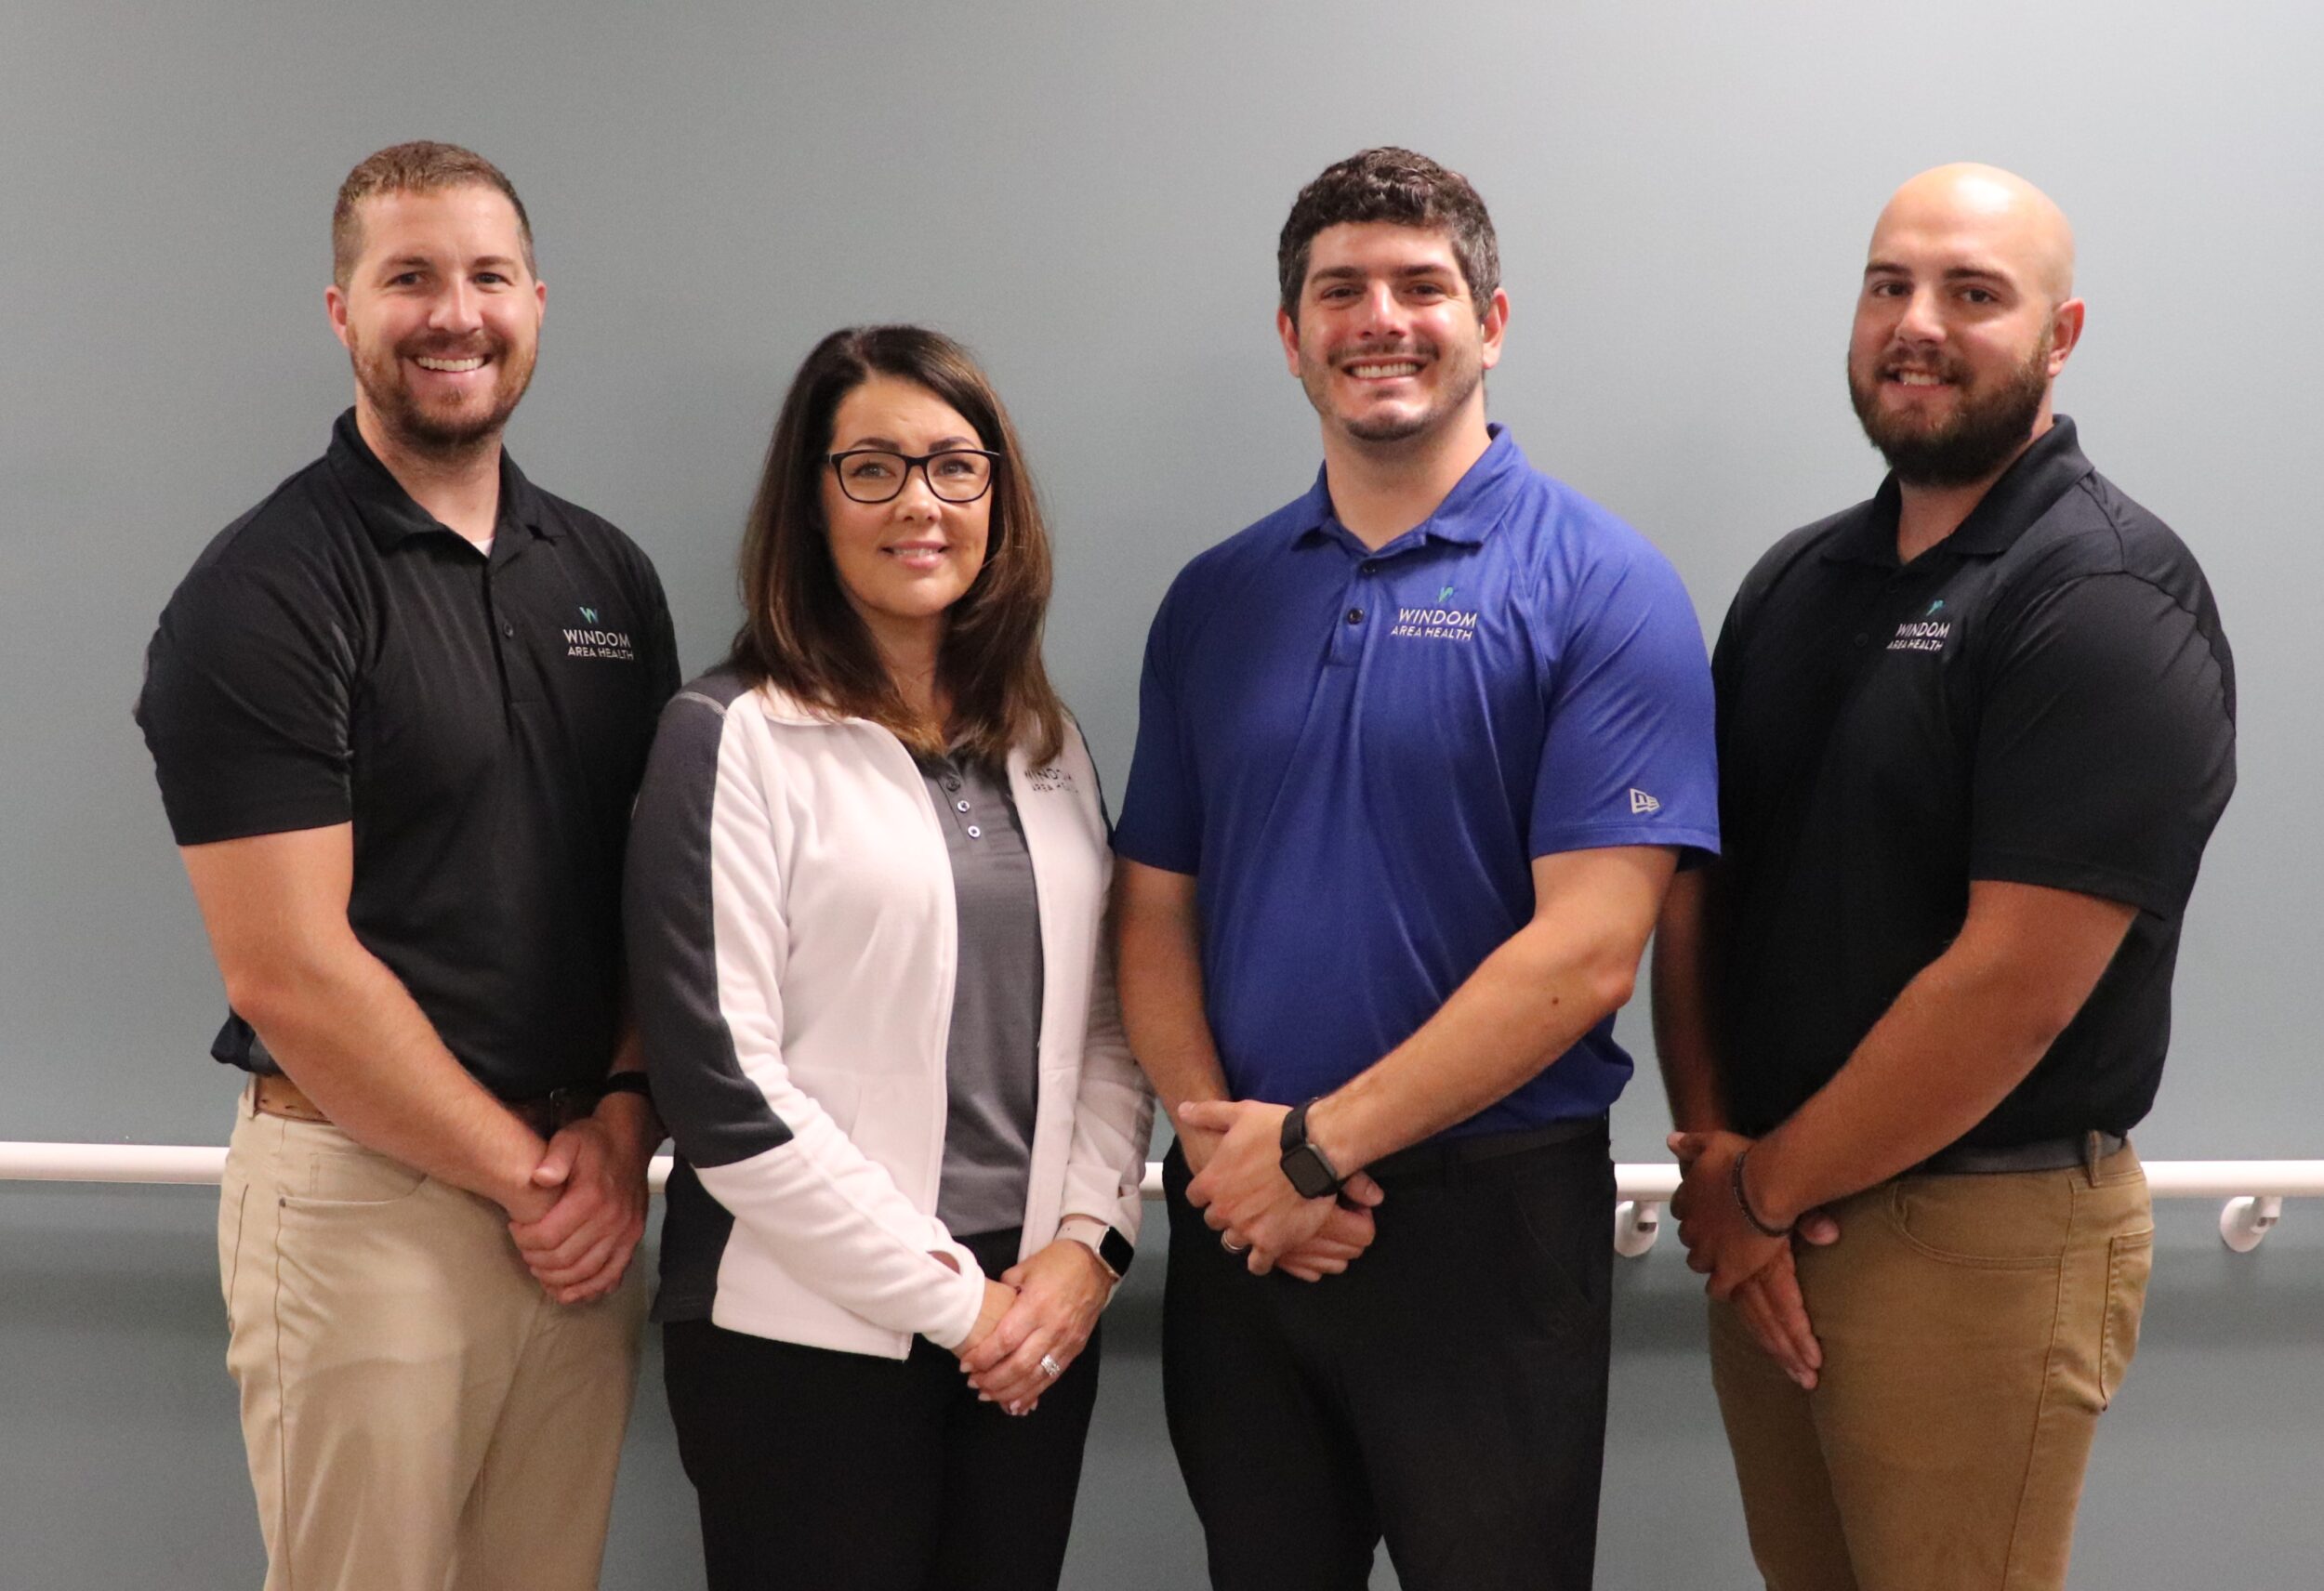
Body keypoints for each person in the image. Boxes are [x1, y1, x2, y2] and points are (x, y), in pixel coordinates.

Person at [1111, 147, 1720, 1591]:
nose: (1380, 317)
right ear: (1292, 338)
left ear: (1491, 323)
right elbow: (1153, 912)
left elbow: (1586, 955)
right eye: (1340, 291)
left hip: (1484, 1227)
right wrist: (1225, 1153)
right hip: (1246, 1221)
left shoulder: (1603, 585)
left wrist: (1319, 1149)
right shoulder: (1217, 598)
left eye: (1421, 286)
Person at [1655, 164, 2237, 1591]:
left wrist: (1767, 1192)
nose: (1917, 323)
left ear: (2061, 332)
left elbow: (2010, 992)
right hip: (1767, 1216)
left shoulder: (2102, 594)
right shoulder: (1796, 584)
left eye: (1974, 294)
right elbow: (1696, 897)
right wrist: (1721, 1156)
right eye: (1887, 284)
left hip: (1978, 1234)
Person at [135, 141, 679, 1591]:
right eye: (410, 278)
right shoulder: (261, 594)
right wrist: (534, 1179)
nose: (456, 314)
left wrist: (622, 1124)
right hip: (368, 1200)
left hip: (578, 1196)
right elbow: (291, 971)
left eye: (488, 276)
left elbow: (653, 897)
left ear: (539, 303)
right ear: (341, 312)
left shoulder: (606, 577)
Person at [624, 324, 1153, 1591]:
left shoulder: (1045, 739)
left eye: (955, 468)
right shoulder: (731, 738)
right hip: (804, 1345)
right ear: (812, 503)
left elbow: (1109, 1022)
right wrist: (966, 1311)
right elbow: (723, 1095)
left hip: (1034, 1331)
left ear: (998, 500)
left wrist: (1087, 1250)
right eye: (872, 467)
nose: (920, 502)